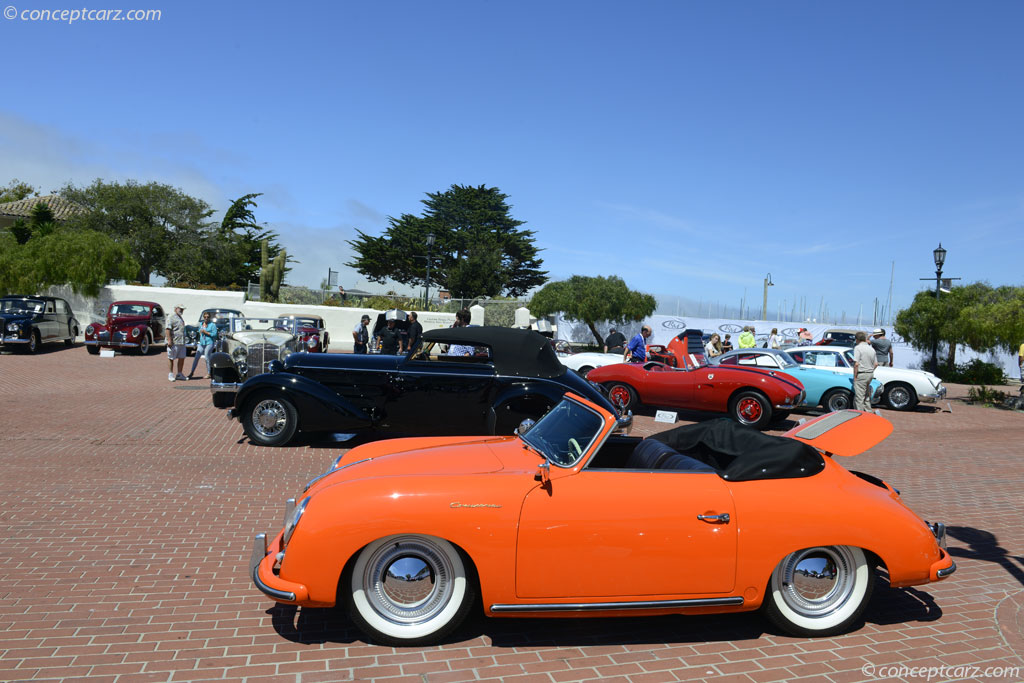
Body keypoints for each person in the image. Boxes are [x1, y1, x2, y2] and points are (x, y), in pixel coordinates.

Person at [186, 311, 217, 379]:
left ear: (210, 317)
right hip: (202, 343)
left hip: (209, 343)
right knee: (196, 357)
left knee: (207, 357)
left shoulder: (212, 325)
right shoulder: (201, 324)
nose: (206, 318)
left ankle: (209, 373)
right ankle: (192, 372)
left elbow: (214, 334)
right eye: (205, 317)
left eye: (208, 317)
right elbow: (199, 331)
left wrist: (206, 332)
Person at [852, 330, 878, 411]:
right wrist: (870, 370)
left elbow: (856, 364)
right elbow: (876, 364)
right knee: (866, 395)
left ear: (857, 339)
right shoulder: (871, 349)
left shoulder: (858, 348)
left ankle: (860, 415)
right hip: (870, 374)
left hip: (862, 374)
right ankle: (868, 413)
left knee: (859, 397)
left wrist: (855, 376)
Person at [166, 304, 188, 381]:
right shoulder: (171, 317)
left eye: (183, 309)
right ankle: (170, 374)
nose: (182, 310)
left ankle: (179, 374)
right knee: (171, 358)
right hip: (174, 341)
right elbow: (168, 329)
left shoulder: (180, 317)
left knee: (182, 358)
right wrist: (169, 340)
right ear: (176, 308)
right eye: (180, 309)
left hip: (181, 341)